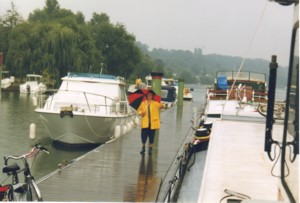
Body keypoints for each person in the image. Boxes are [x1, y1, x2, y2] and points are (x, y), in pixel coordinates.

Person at [137, 90, 163, 155]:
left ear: (152, 96)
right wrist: (141, 112)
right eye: (148, 95)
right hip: (145, 123)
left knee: (151, 137)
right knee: (143, 136)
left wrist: (161, 102)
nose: (149, 96)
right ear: (146, 96)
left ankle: (151, 148)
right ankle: (143, 147)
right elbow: (138, 111)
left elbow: (161, 106)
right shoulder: (143, 103)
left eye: (151, 95)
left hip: (152, 123)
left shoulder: (155, 103)